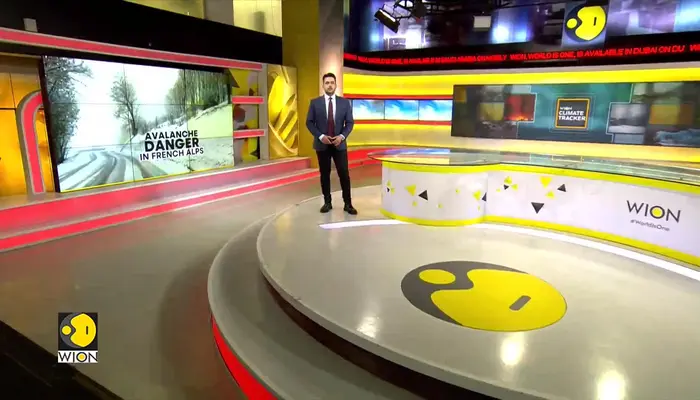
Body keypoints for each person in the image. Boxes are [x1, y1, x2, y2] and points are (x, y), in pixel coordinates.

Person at [305, 72, 357, 215]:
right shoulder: (315, 103)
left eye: (332, 83)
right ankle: (327, 202)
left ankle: (348, 204)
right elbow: (309, 123)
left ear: (335, 85)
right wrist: (321, 136)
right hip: (322, 145)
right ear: (323, 85)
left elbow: (350, 123)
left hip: (339, 144)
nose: (329, 85)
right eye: (327, 83)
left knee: (344, 173)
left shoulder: (344, 103)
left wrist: (342, 136)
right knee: (324, 174)